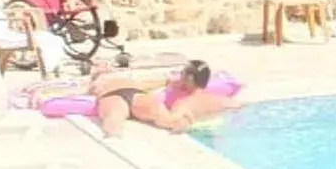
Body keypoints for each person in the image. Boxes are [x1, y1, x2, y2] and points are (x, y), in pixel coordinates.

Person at [88, 61, 236, 138]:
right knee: (167, 119)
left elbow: (157, 82)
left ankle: (113, 137)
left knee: (113, 120)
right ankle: (181, 123)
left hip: (116, 94)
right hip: (136, 93)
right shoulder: (113, 78)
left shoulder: (101, 80)